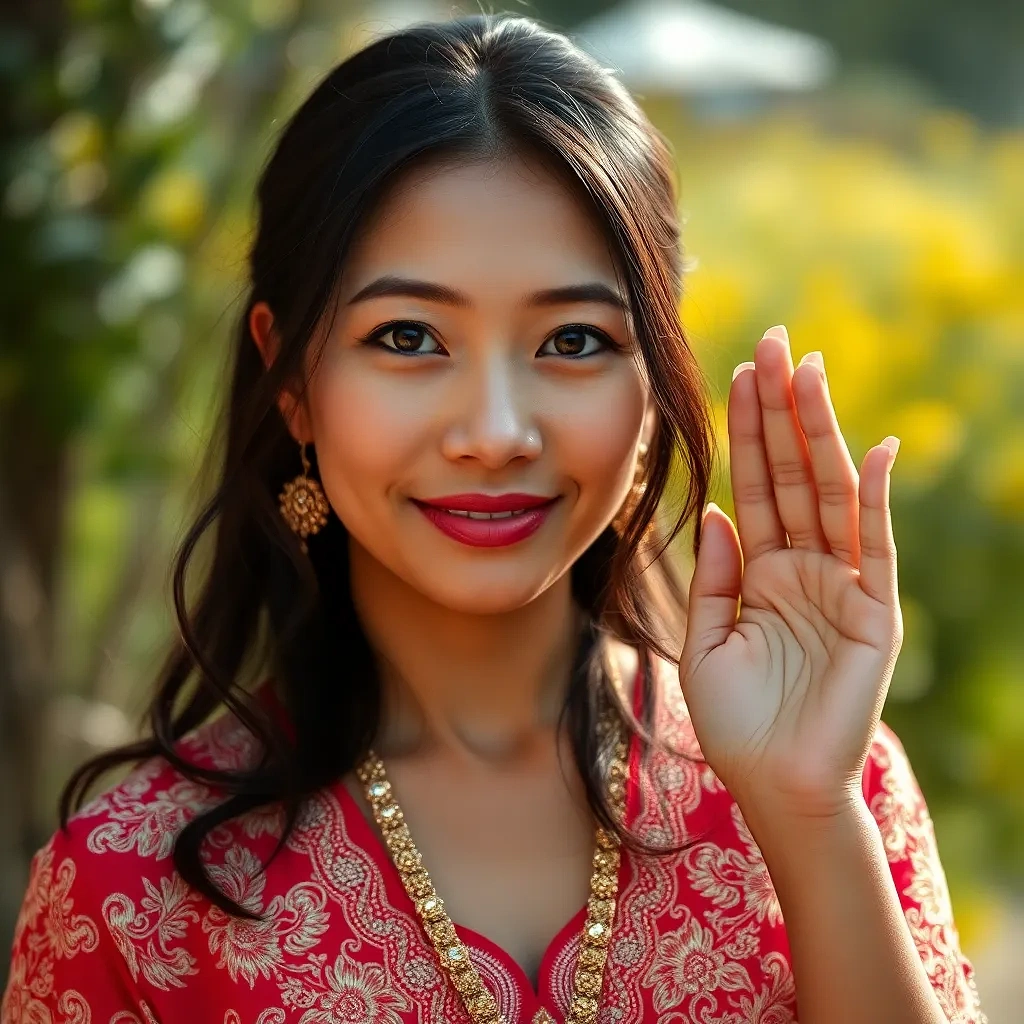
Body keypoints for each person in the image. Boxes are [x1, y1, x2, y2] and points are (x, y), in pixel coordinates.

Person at [1, 13, 987, 1024]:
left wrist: (810, 819)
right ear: (291, 375)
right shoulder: (131, 894)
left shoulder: (830, 779)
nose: (497, 431)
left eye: (570, 340)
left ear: (654, 378)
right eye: (409, 335)